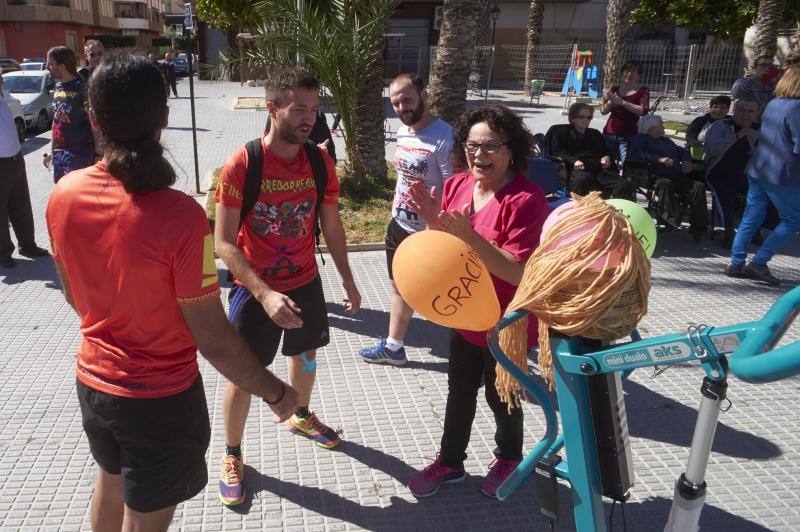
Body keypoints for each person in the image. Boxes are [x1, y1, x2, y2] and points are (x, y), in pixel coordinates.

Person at [45, 55, 299, 532]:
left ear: (94, 120)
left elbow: (73, 296)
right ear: (164, 117)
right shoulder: (181, 217)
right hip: (159, 402)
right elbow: (213, 337)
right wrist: (275, 391)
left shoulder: (63, 194)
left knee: (111, 484)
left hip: (95, 384)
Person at [215, 67, 361, 506]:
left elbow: (331, 226)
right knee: (244, 374)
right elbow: (222, 243)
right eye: (299, 109)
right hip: (255, 287)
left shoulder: (319, 160)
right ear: (272, 107)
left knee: (306, 354)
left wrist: (348, 279)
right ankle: (233, 454)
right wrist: (263, 293)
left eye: (314, 110)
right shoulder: (244, 163)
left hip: (306, 281)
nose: (309, 119)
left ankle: (299, 414)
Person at [405, 104, 549, 499]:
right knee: (459, 389)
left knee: (501, 393)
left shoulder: (526, 199)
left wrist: (469, 236)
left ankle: (510, 459)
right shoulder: (457, 185)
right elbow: (449, 247)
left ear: (510, 151)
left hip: (507, 320)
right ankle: (450, 462)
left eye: (490, 147)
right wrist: (435, 222)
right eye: (472, 146)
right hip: (464, 309)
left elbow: (518, 272)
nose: (478, 155)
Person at [358, 73, 454, 365]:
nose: (402, 108)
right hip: (398, 225)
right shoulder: (403, 132)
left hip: (428, 232)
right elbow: (403, 176)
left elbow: (455, 189)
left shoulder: (445, 137)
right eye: (396, 103)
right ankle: (394, 347)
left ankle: (474, 352)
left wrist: (435, 226)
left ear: (424, 96)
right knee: (400, 286)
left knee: (443, 293)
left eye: (407, 100)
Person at [725, 66, 800, 286]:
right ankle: (759, 262)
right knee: (793, 218)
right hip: (780, 173)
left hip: (758, 167)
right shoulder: (797, 108)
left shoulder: (774, 104)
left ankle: (736, 262)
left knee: (752, 215)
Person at [0, 68, 49, 268]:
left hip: (16, 159)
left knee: (22, 206)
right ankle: (3, 253)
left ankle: (27, 245)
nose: (1, 80)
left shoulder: (4, 98)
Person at [630, 114, 707, 239]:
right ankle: (670, 220)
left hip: (677, 176)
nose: (663, 127)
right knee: (665, 184)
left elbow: (683, 151)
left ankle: (699, 227)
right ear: (652, 128)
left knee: (698, 186)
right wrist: (658, 159)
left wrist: (687, 160)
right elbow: (636, 154)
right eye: (661, 124)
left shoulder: (665, 140)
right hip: (654, 176)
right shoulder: (641, 139)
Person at [703, 99, 760, 248]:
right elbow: (710, 149)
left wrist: (756, 143)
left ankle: (754, 229)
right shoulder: (721, 126)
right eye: (741, 110)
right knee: (726, 194)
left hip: (747, 175)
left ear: (757, 114)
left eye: (750, 111)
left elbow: (768, 156)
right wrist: (737, 136)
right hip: (719, 172)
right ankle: (729, 230)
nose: (746, 115)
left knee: (760, 194)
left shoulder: (760, 130)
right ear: (733, 111)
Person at [548, 102, 634, 200]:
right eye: (582, 117)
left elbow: (606, 150)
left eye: (589, 117)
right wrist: (574, 161)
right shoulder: (562, 133)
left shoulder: (595, 134)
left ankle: (616, 210)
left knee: (624, 184)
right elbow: (559, 151)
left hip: (598, 168)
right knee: (582, 180)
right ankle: (580, 210)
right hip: (577, 168)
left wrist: (607, 157)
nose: (586, 120)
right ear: (573, 118)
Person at [45, 46, 94, 182]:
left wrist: (98, 155)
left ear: (61, 66)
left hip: (79, 155)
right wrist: (52, 152)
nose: (47, 67)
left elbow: (94, 122)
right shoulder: (58, 87)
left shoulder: (82, 89)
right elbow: (56, 122)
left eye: (50, 64)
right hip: (59, 155)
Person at [600, 60, 649, 165]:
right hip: (609, 133)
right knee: (606, 163)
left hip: (628, 136)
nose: (629, 74)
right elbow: (603, 111)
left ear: (639, 75)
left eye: (633, 71)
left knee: (626, 165)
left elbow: (643, 111)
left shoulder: (643, 91)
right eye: (626, 71)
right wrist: (611, 101)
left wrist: (622, 102)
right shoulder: (615, 89)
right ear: (622, 73)